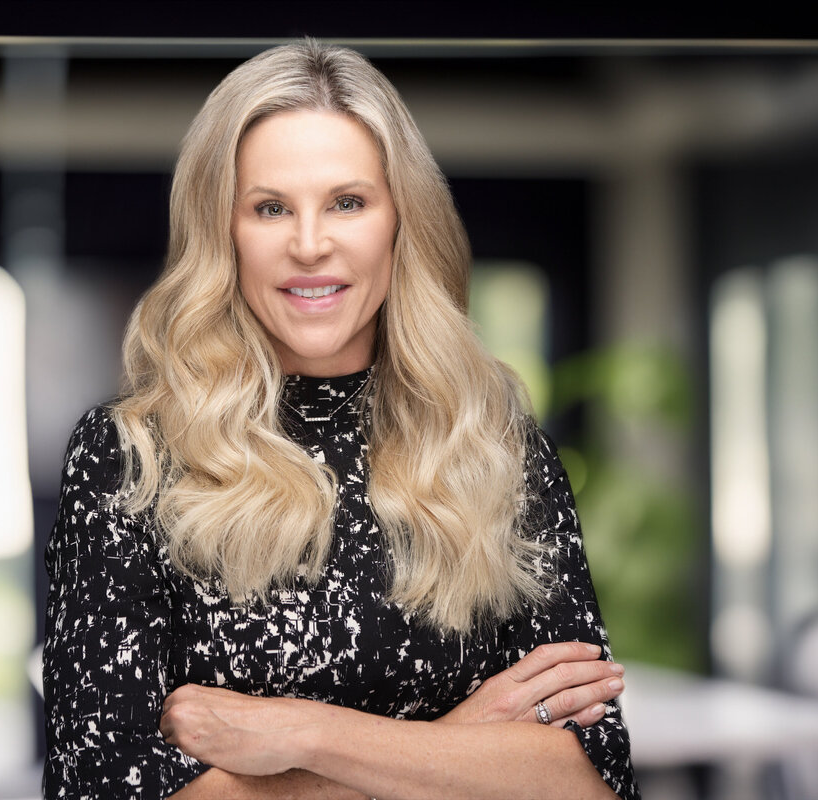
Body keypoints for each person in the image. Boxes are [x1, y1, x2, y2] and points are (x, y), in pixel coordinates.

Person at [43, 40, 639, 800]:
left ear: (400, 222)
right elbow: (97, 788)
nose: (310, 244)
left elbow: (591, 780)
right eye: (269, 208)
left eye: (348, 202)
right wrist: (458, 752)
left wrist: (301, 735)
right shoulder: (130, 457)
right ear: (222, 231)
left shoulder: (495, 450)